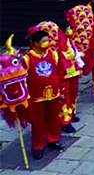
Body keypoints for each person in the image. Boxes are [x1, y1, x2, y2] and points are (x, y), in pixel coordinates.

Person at [24, 30, 65, 160]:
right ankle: (38, 146)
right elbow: (23, 79)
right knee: (38, 122)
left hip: (53, 93)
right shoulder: (27, 59)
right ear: (35, 43)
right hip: (36, 96)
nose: (47, 43)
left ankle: (53, 139)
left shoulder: (53, 54)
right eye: (44, 41)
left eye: (48, 40)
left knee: (53, 119)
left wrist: (61, 89)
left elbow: (59, 72)